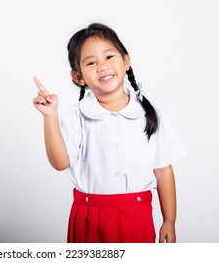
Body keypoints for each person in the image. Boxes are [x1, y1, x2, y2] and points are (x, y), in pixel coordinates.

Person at [32, 23, 186, 243]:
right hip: (88, 216)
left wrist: (169, 220)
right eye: (91, 62)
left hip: (137, 216)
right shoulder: (77, 115)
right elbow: (60, 162)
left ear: (126, 60)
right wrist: (50, 117)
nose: (102, 66)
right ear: (78, 77)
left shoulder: (151, 115)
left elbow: (163, 171)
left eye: (109, 57)